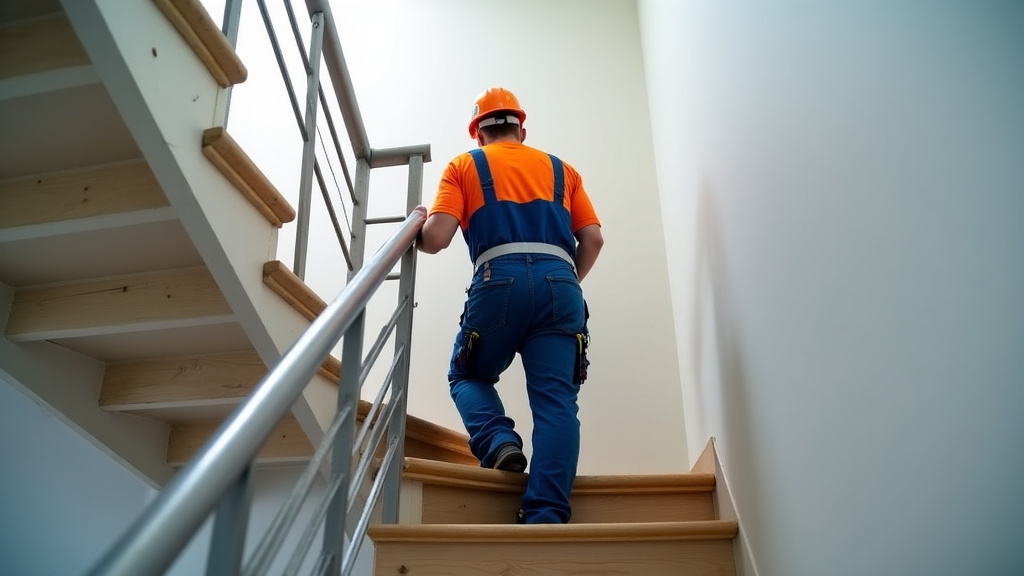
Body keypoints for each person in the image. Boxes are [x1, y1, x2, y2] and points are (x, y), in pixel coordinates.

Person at [417, 87, 604, 524]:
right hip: (562, 281)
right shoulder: (562, 170)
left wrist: (417, 223)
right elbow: (593, 239)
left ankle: (499, 441)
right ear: (520, 127)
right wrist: (564, 283)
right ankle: (547, 514)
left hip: (496, 279)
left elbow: (437, 238)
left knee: (466, 374)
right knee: (557, 403)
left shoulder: (464, 165)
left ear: (478, 132)